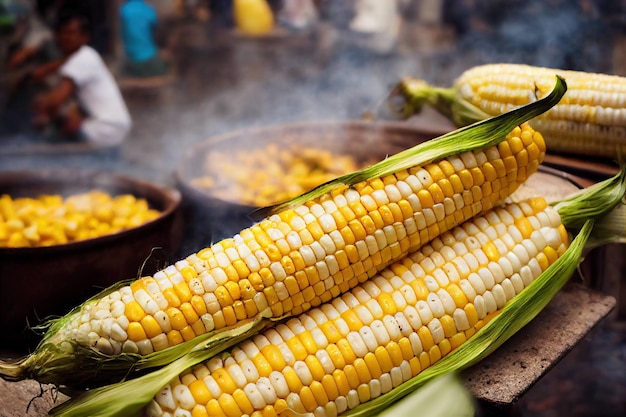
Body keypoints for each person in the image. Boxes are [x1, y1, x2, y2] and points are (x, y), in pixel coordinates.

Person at [32, 13, 132, 148]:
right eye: (63, 33)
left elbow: (55, 100)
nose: (66, 37)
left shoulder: (82, 58)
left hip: (104, 128)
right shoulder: (86, 56)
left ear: (85, 37)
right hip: (115, 127)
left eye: (72, 33)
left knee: (57, 120)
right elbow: (44, 71)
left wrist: (41, 103)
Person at [120, 0, 167, 78]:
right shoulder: (148, 10)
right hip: (149, 58)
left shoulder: (124, 10)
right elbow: (156, 29)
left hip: (132, 59)